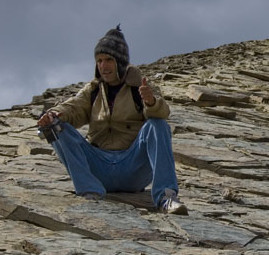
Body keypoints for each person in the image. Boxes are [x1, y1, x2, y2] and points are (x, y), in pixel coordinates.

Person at [37, 25, 187, 214]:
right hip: (98, 167)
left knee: (158, 125)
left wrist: (150, 101)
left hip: (132, 167)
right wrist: (52, 115)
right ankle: (90, 192)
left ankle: (166, 198)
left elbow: (163, 111)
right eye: (99, 60)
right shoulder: (92, 90)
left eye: (108, 60)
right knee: (55, 127)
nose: (103, 66)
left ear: (121, 62)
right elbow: (72, 107)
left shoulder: (139, 87)